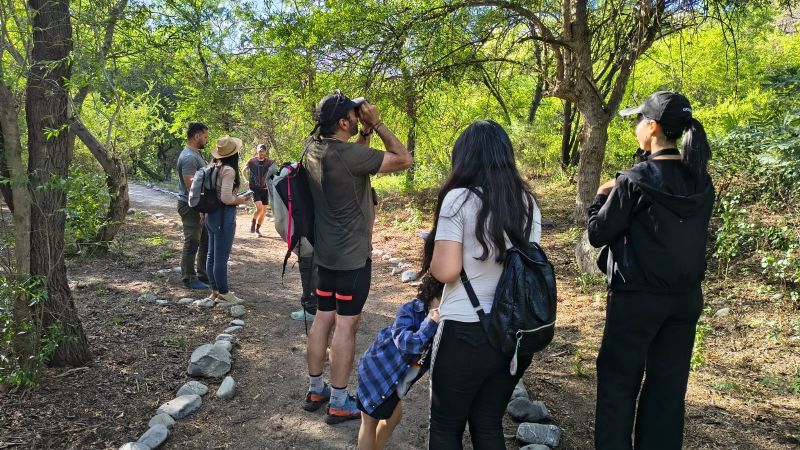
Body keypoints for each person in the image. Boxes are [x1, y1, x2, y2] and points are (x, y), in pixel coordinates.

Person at [588, 91, 714, 450]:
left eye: (640, 120)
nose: (637, 127)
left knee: (618, 383)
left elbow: (598, 233)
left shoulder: (633, 180)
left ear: (653, 127)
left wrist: (600, 196)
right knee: (667, 387)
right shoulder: (700, 182)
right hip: (685, 300)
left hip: (637, 300)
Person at [423, 120, 542, 449]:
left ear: (465, 158)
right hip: (512, 335)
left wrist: (433, 250)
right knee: (487, 422)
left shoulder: (459, 200)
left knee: (446, 427)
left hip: (464, 330)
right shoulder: (528, 203)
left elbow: (445, 271)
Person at [302, 90, 412, 425]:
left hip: (324, 256)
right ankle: (338, 402)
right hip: (351, 260)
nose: (358, 116)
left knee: (324, 318)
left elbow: (355, 163)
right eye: (354, 114)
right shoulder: (346, 155)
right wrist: (376, 123)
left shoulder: (313, 149)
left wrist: (362, 134)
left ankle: (315, 389)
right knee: (347, 325)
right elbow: (403, 158)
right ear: (342, 121)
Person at [356, 275, 443, 450]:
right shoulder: (411, 310)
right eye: (442, 301)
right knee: (369, 422)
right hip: (376, 373)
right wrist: (430, 323)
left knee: (393, 418)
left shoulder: (444, 324)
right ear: (431, 295)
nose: (444, 308)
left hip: (394, 380)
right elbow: (407, 343)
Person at [268, 162, 318, 322]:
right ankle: (323, 305)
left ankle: (311, 308)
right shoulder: (312, 171)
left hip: (304, 234)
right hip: (321, 228)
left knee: (307, 267)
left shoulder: (287, 176)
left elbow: (281, 221)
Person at [205, 136, 251, 304]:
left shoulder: (213, 166)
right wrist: (241, 200)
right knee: (221, 258)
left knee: (211, 255)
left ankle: (215, 291)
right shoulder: (228, 170)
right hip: (223, 216)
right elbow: (225, 198)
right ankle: (224, 292)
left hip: (211, 214)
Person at [176, 122, 210, 290]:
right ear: (197, 136)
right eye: (205, 137)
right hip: (190, 206)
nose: (206, 140)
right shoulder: (189, 157)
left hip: (197, 205)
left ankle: (203, 274)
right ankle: (189, 278)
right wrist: (201, 209)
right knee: (193, 241)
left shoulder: (196, 154)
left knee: (204, 240)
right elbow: (191, 186)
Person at [242, 143, 275, 236]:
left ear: (265, 152)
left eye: (263, 151)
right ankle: (253, 222)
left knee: (264, 211)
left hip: (265, 189)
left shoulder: (269, 162)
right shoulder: (251, 161)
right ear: (257, 151)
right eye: (260, 151)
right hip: (254, 189)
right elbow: (243, 170)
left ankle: (257, 229)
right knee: (259, 208)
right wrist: (246, 180)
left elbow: (274, 172)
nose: (261, 152)